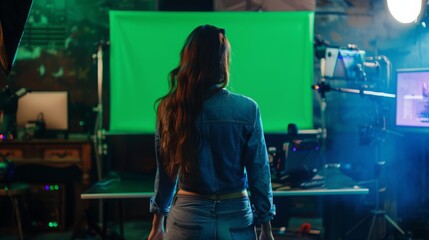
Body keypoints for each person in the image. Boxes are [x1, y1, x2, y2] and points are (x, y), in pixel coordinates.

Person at [148, 24, 275, 240]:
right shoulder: (247, 108)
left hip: (187, 218)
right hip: (236, 218)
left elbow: (166, 173)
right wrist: (266, 228)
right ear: (221, 61)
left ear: (188, 59)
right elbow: (259, 173)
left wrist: (157, 224)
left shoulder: (169, 109)